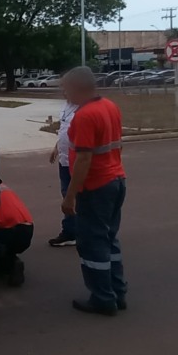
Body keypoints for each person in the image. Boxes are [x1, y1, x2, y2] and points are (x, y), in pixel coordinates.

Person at [58, 67, 128, 316]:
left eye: (65, 88)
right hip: (116, 179)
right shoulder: (110, 106)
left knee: (92, 243)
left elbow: (84, 160)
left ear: (77, 88)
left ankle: (102, 298)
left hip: (96, 186)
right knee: (110, 239)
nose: (63, 93)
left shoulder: (85, 115)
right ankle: (118, 292)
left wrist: (70, 196)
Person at [46, 95, 79, 247]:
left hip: (76, 161)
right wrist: (57, 147)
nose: (64, 91)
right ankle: (72, 232)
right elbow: (65, 130)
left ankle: (73, 232)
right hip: (64, 160)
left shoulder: (83, 107)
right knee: (67, 195)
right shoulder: (67, 105)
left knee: (72, 197)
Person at [0, 184, 34, 286]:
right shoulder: (4, 188)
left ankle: (4, 262)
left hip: (10, 230)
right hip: (27, 228)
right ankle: (10, 260)